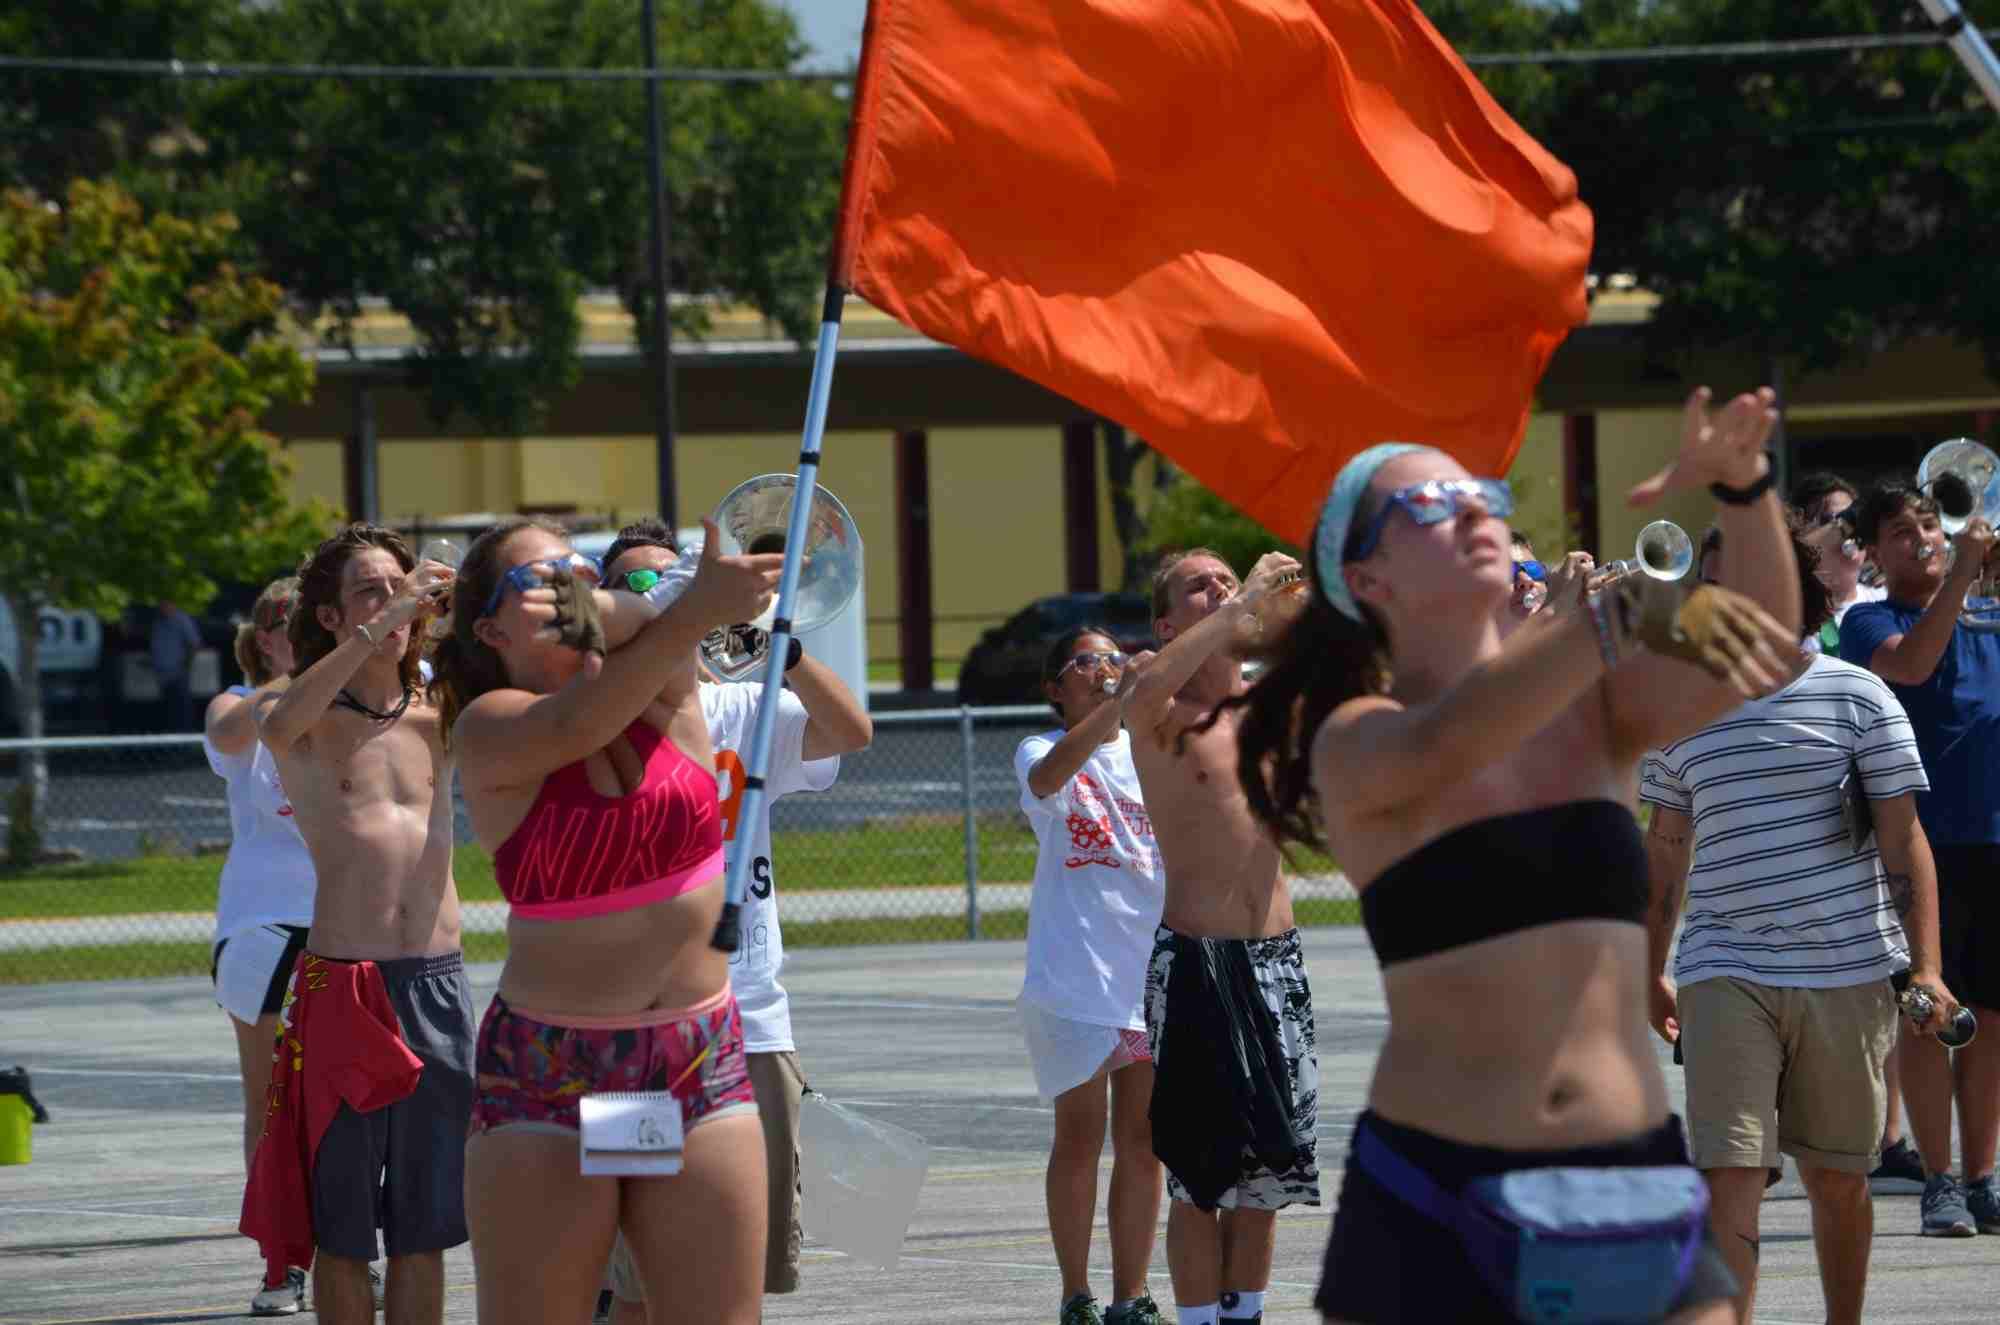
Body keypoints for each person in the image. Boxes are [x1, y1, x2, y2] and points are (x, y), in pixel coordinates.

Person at [1225, 385, 1801, 1323]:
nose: (1470, 512)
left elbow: (1766, 647)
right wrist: (1616, 622)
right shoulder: (1357, 737)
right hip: (1436, 1194)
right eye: (1428, 504)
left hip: (1632, 1178)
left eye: (1478, 495)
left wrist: (1745, 488)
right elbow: (1458, 734)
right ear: (1367, 579)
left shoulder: (1593, 701)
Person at [434, 516, 782, 1325]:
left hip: (694, 1058)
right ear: (489, 629)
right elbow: (578, 724)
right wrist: (697, 608)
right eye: (540, 577)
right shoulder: (488, 725)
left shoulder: (666, 676)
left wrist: (652, 605)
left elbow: (640, 620)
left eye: (581, 566)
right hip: (551, 1074)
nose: (571, 582)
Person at [1641, 517, 1953, 1325]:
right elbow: (1666, 849)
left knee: (1839, 1181)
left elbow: (1903, 839)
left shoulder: (1859, 695)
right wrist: (1648, 967)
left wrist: (1925, 966)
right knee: (1730, 1174)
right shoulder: (1677, 705)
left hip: (1847, 971)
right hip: (1723, 968)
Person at [590, 519, 873, 1323]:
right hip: (627, 1031)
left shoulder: (744, 706)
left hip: (750, 1018)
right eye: (642, 583)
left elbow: (850, 732)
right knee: (632, 1271)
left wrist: (785, 650)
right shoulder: (591, 715)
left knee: (741, 1260)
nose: (665, 593)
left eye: (676, 576)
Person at [242, 524, 470, 1325]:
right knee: (341, 1234)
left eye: (400, 586)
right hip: (349, 990)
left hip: (436, 984)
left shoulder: (441, 707)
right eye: (369, 590)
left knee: (424, 1231)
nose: (392, 602)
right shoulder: (304, 717)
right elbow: (275, 726)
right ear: (332, 617)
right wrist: (386, 622)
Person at [1120, 546, 1319, 1325]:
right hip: (1198, 962)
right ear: (1168, 623)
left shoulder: (1274, 707)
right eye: (1199, 586)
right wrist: (1239, 608)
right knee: (1199, 1180)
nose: (1222, 589)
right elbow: (1141, 695)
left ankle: (1247, 1317)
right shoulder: (1159, 707)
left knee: (1268, 1177)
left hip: (1278, 963)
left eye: (1227, 580)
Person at [1842, 479, 2000, 1237]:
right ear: (1875, 552)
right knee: (1925, 1013)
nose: (1925, 539)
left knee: (1991, 1017)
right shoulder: (1868, 619)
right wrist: (1965, 570)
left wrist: (1978, 574)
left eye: (1931, 524)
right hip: (1915, 846)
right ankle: (1938, 1180)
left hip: (1993, 838)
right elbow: (1912, 665)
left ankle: (1982, 1178)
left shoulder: (1987, 610)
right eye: (1903, 531)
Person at [1016, 625, 1166, 1325]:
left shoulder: (1151, 752)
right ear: (1056, 687)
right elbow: (1050, 781)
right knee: (1079, 1138)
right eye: (1087, 661)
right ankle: (1075, 1294)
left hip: (1148, 975)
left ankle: (1131, 1295)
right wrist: (1120, 701)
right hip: (1075, 978)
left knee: (1144, 1143)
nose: (1104, 667)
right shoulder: (1040, 748)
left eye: (1113, 657)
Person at [204, 576, 317, 1316]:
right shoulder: (239, 700)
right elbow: (229, 734)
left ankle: (347, 1252)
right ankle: (283, 1261)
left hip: (351, 923)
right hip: (265, 926)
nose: (307, 636)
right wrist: (308, 673)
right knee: (273, 1100)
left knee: (353, 1101)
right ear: (266, 638)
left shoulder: (358, 696)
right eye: (293, 625)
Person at [152, 598, 203, 731]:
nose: (162, 606)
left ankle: (185, 736)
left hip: (178, 672)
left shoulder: (181, 620)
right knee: (168, 709)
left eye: (165, 603)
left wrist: (185, 665)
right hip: (162, 674)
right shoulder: (158, 622)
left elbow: (194, 644)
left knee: (181, 708)